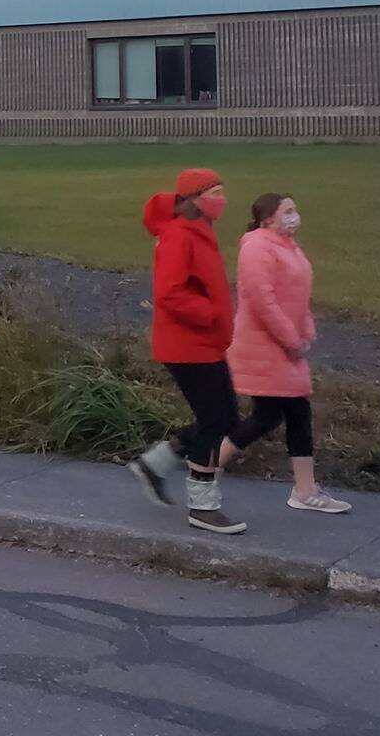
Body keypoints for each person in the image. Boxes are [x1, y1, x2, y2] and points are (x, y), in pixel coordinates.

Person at [129, 169, 245, 535]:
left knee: (225, 417)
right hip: (187, 344)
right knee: (215, 420)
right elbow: (169, 292)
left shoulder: (199, 231)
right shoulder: (180, 235)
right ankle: (203, 506)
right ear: (193, 198)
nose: (221, 199)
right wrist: (209, 313)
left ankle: (155, 464)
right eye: (213, 192)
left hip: (204, 343)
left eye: (221, 190)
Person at [222, 193, 349, 514]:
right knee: (271, 416)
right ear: (268, 218)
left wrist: (305, 333)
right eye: (287, 211)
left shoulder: (287, 247)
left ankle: (304, 489)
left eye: (295, 210)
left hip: (286, 348)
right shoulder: (256, 247)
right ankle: (207, 466)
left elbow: (298, 296)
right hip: (265, 347)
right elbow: (263, 301)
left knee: (290, 413)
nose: (294, 216)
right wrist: (292, 340)